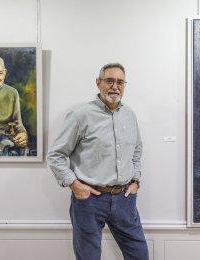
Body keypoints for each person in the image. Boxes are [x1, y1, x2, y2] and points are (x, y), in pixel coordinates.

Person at [46, 63, 149, 260]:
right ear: (98, 83)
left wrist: (136, 180)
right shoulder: (80, 115)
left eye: (120, 82)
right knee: (88, 257)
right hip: (90, 200)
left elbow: (137, 149)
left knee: (139, 254)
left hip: (125, 199)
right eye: (109, 81)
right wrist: (75, 185)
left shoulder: (129, 115)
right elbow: (56, 155)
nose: (115, 86)